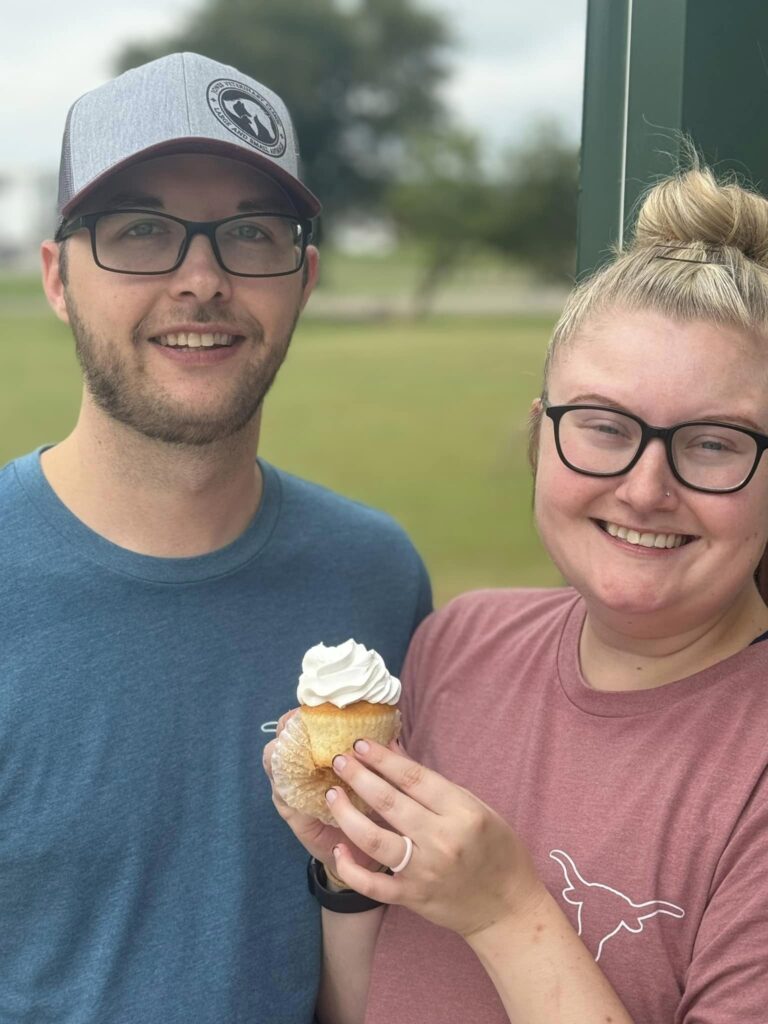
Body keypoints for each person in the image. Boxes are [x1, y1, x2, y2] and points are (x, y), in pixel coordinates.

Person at [266, 160, 768, 1023]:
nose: (647, 489)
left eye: (714, 443)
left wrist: (505, 911)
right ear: (543, 439)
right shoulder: (461, 645)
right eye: (605, 428)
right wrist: (349, 870)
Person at [3, 52, 431, 1023]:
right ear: (57, 277)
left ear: (305, 279)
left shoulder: (374, 577)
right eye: (143, 230)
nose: (202, 279)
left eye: (250, 234)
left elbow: (369, 944)